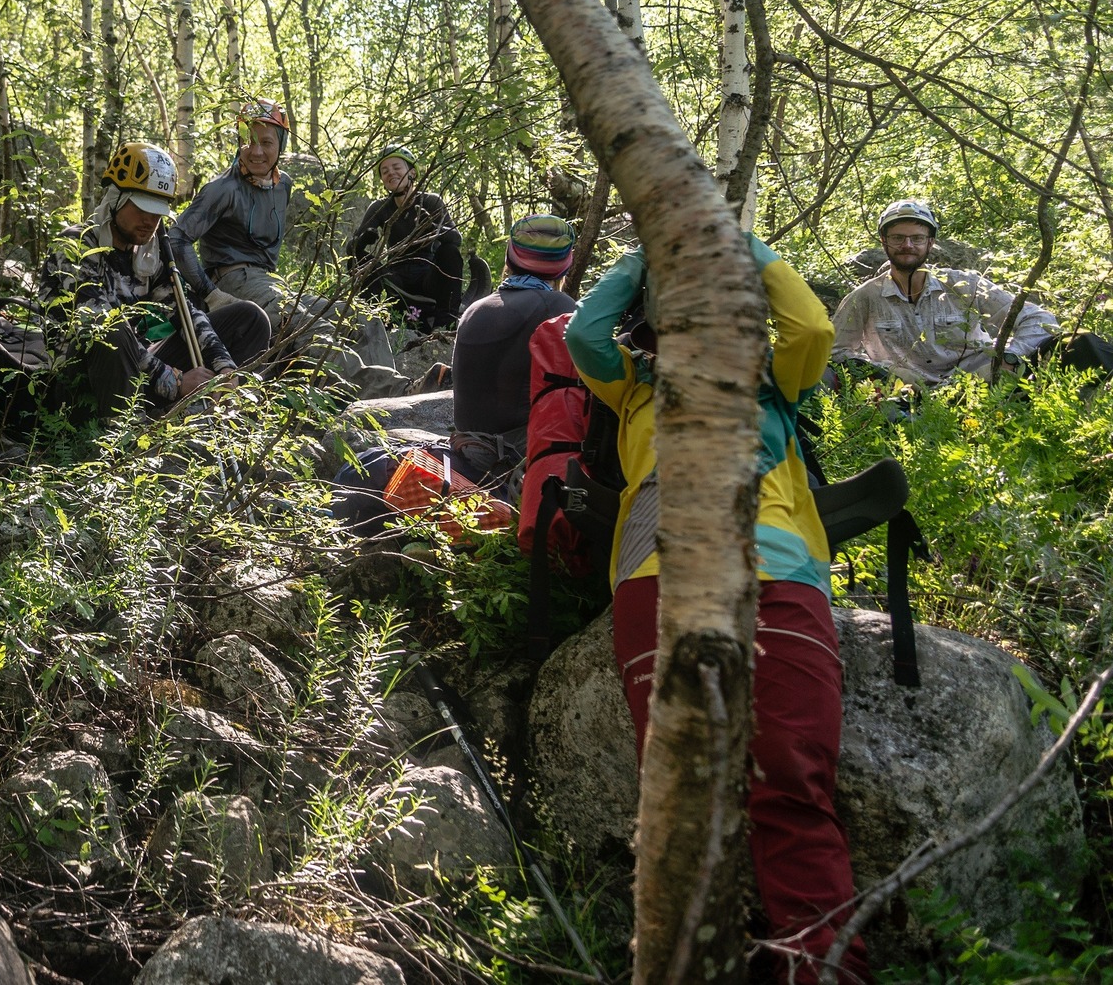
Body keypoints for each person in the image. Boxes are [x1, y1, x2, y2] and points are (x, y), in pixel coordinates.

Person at [568, 237, 868, 983]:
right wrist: (645, 256)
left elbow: (814, 329)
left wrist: (739, 246)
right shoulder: (633, 384)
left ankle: (824, 968)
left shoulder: (771, 380)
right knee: (678, 806)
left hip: (774, 574)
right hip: (660, 577)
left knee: (792, 783)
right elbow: (582, 332)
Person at [42, 142, 270, 416]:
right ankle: (117, 436)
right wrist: (176, 381)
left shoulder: (149, 252)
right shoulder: (77, 245)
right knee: (110, 329)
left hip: (137, 373)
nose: (151, 221)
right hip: (79, 382)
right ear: (116, 198)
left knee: (250, 318)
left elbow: (184, 312)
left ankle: (209, 410)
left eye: (158, 212)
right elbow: (96, 330)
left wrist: (224, 364)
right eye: (142, 208)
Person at [169, 98, 385, 374]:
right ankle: (387, 393)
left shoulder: (283, 185)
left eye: (267, 142)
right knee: (315, 330)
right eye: (248, 140)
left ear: (280, 144)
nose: (256, 151)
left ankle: (392, 402)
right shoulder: (222, 189)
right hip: (233, 281)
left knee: (362, 319)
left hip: (272, 283)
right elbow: (177, 239)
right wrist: (211, 295)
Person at [832, 199, 1113, 387]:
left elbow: (1038, 319)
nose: (907, 245)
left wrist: (1010, 356)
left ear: (930, 243)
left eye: (916, 238)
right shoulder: (865, 297)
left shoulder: (964, 284)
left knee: (1083, 343)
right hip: (912, 400)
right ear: (884, 241)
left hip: (987, 384)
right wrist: (885, 373)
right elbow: (834, 353)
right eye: (897, 238)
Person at [449, 214, 578, 488]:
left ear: (509, 259)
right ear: (564, 266)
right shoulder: (557, 308)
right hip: (511, 456)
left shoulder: (476, 308)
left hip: (465, 447)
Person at [346, 145, 464, 327]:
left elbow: (456, 240)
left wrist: (434, 229)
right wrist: (361, 241)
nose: (390, 173)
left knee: (449, 252)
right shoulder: (379, 207)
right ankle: (373, 320)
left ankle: (446, 323)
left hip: (428, 278)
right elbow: (351, 250)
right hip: (394, 280)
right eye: (384, 171)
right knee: (357, 258)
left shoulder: (432, 201)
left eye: (396, 167)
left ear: (412, 173)